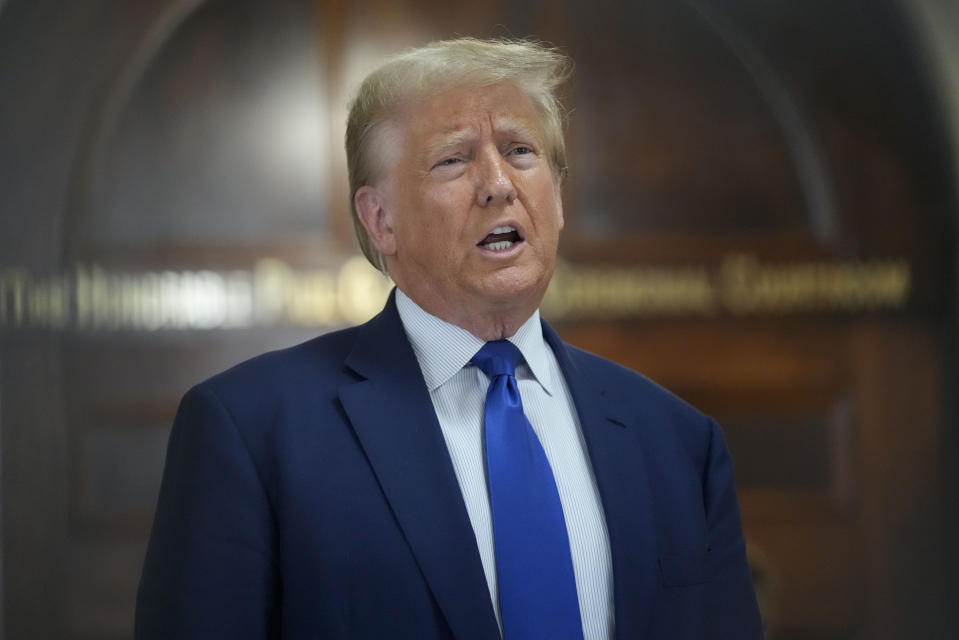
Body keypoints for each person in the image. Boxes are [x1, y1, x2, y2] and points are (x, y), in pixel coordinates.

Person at [135, 38, 763, 640]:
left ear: (559, 198)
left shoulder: (678, 442)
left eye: (521, 151)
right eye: (453, 159)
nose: (498, 183)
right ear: (381, 220)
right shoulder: (252, 431)